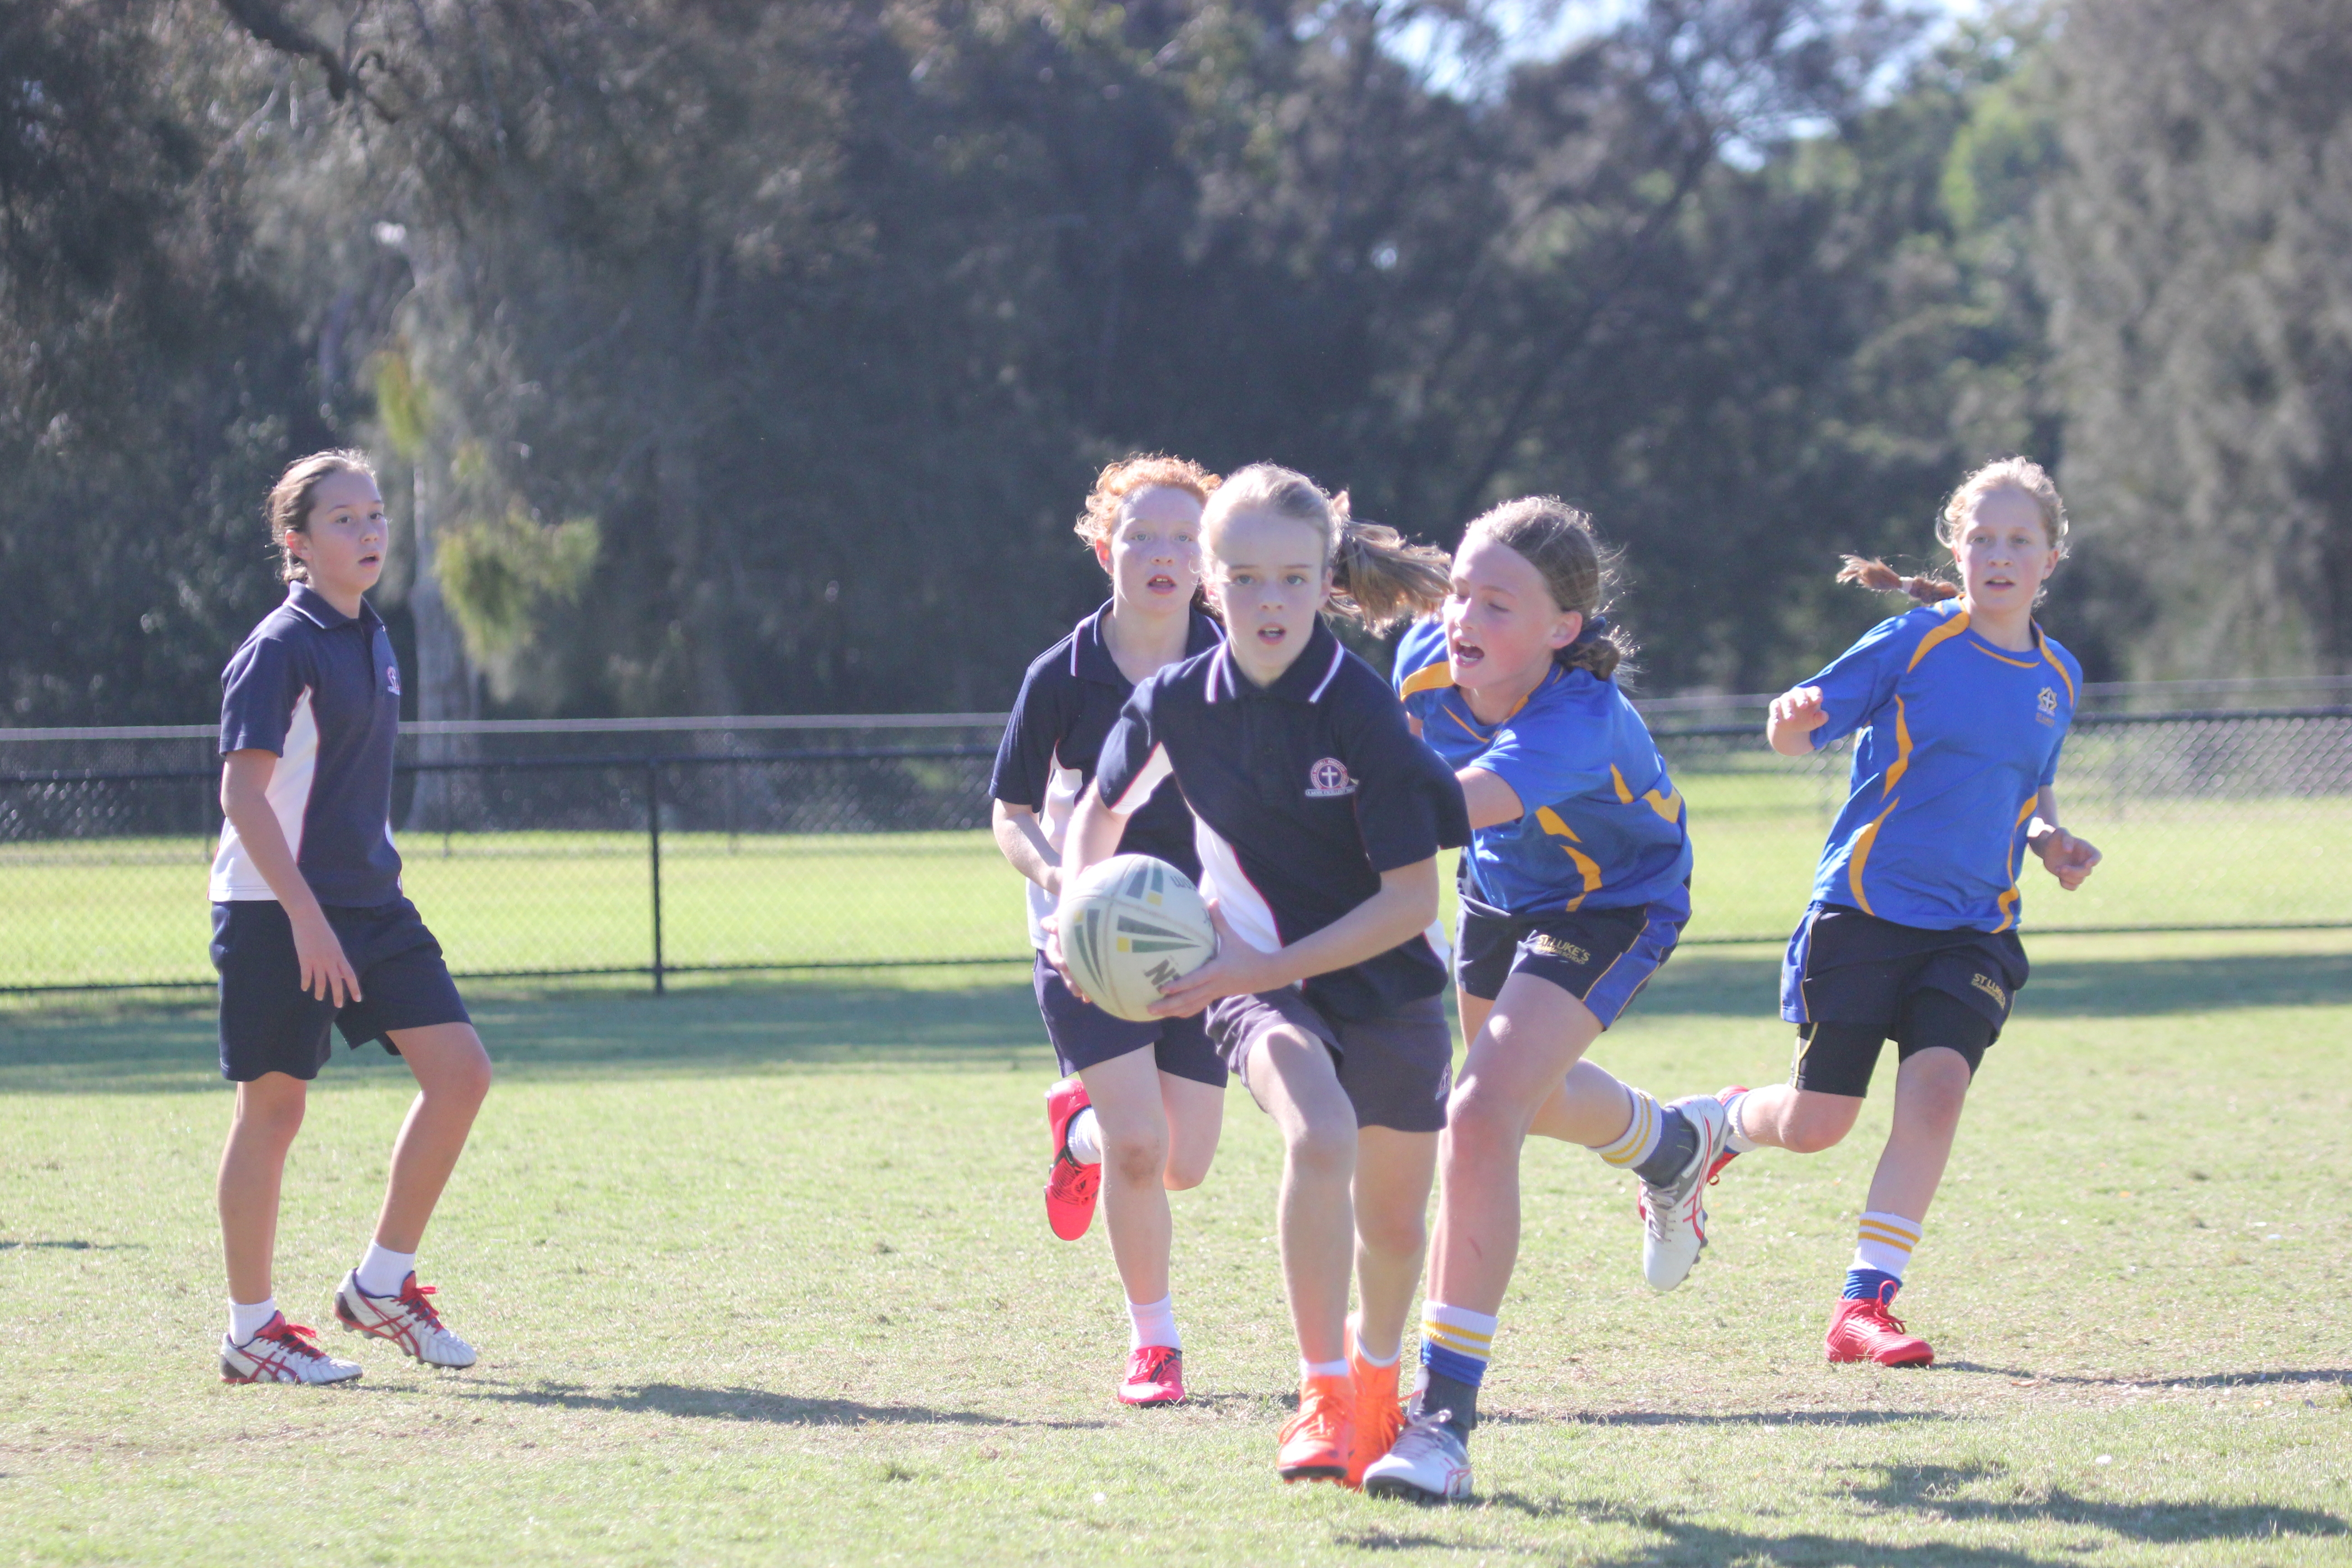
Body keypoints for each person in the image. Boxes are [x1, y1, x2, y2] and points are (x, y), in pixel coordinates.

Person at [1054, 464, 1468, 1486]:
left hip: (1390, 981)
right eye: (1243, 578)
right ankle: (1322, 1396)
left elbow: (1413, 903)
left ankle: (1378, 1384)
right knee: (1318, 1132)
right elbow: (1097, 814)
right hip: (1254, 984)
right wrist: (1077, 908)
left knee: (1393, 1222)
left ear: (1326, 580)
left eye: (1291, 578)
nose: (1268, 601)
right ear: (1207, 580)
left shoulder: (1361, 712)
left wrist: (1269, 958)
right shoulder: (1175, 701)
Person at [1363, 497, 1722, 1504]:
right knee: (1511, 1101)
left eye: (1499, 605)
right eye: (1460, 593)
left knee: (1477, 1113)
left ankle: (1443, 1425)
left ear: (1564, 629)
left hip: (1613, 902)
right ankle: (1674, 1149)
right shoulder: (1427, 660)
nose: (1465, 619)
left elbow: (1441, 806)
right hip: (1501, 894)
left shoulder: (1579, 720)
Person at [1706, 456, 2100, 1368]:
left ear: (2051, 558)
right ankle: (1723, 1123)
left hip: (1975, 925)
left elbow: (2027, 790)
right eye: (1982, 539)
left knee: (1936, 1092)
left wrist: (2050, 839)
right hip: (1867, 909)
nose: (1999, 556)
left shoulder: (2060, 675)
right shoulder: (1914, 644)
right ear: (1955, 551)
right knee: (1818, 1125)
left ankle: (1864, 1305)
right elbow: (1795, 728)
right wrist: (1789, 716)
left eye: (2019, 541)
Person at [211, 450, 492, 1384]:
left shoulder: (372, 632)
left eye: (375, 516)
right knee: (275, 1109)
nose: (369, 532)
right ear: (297, 542)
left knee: (460, 1075)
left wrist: (348, 906)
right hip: (275, 905)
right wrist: (305, 918)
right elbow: (243, 799)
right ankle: (253, 1333)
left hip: (372, 901)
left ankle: (380, 1285)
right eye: (344, 519)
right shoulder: (279, 646)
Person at [989, 455, 1229, 1406]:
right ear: (1105, 550)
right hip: (1085, 943)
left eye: (1184, 540)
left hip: (1205, 941)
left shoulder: (1237, 659)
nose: (1163, 556)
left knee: (1183, 1164)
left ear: (1209, 559)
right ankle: (1154, 1345)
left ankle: (1073, 1131)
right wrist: (1060, 881)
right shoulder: (1063, 675)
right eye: (1142, 537)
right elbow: (1009, 811)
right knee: (1140, 1149)